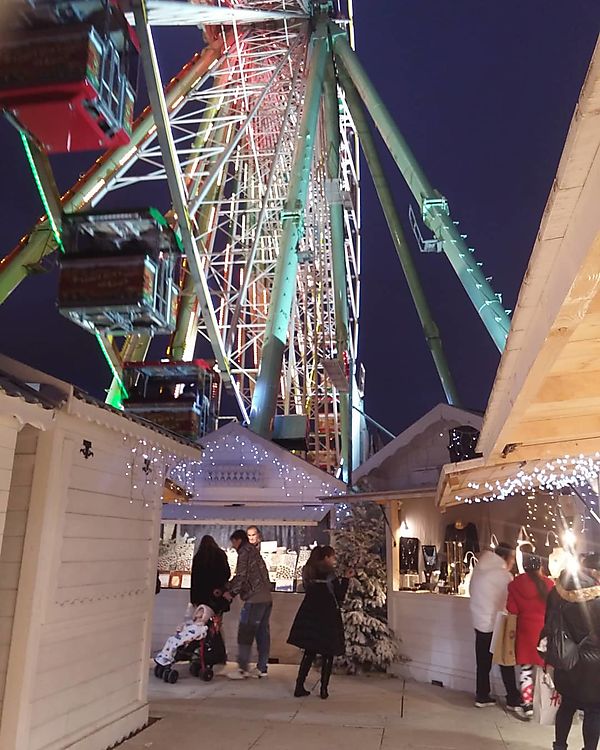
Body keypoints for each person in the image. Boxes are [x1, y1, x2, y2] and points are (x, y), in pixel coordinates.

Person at [547, 552, 600, 750]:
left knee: (567, 704)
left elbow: (549, 625)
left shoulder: (557, 591)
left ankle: (559, 746)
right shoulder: (598, 599)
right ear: (595, 572)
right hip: (594, 666)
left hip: (566, 660)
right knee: (594, 710)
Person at [288, 545, 351, 700]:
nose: (334, 560)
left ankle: (299, 686)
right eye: (332, 557)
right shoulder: (330, 575)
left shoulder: (309, 572)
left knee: (309, 652)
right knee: (327, 653)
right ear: (326, 558)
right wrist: (347, 579)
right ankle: (323, 689)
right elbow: (340, 596)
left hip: (310, 615)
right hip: (327, 616)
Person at [468, 541, 522, 710]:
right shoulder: (503, 575)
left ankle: (482, 695)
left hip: (479, 620)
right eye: (512, 557)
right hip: (496, 622)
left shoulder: (479, 568)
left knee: (483, 662)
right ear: (506, 557)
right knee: (505, 661)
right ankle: (513, 698)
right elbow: (510, 600)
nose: (513, 562)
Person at [506, 547, 554, 717]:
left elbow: (511, 608)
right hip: (544, 631)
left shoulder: (515, 584)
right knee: (545, 668)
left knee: (525, 669)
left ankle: (527, 705)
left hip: (525, 631)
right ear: (540, 565)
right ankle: (548, 704)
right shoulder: (549, 584)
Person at [225, 529, 273, 679]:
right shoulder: (255, 552)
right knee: (262, 633)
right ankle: (262, 668)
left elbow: (241, 576)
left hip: (254, 600)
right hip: (266, 598)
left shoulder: (244, 552)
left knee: (246, 632)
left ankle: (242, 669)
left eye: (233, 543)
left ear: (238, 540)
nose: (233, 547)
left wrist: (231, 593)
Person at [190, 534, 231, 608]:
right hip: (216, 591)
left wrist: (193, 599)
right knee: (216, 613)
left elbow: (194, 579)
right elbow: (227, 573)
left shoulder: (198, 557)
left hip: (202, 593)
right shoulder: (220, 555)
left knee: (202, 615)